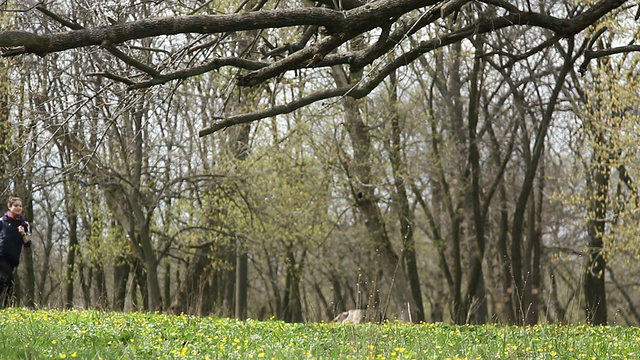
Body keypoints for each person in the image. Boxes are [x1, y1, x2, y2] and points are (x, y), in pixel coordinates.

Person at [0, 197, 31, 308]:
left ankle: (5, 308)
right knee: (6, 279)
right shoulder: (2, 221)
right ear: (10, 207)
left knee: (8, 284)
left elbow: (27, 244)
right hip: (1, 256)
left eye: (20, 206)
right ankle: (4, 308)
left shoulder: (25, 224)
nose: (18, 208)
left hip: (13, 259)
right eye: (15, 205)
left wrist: (23, 233)